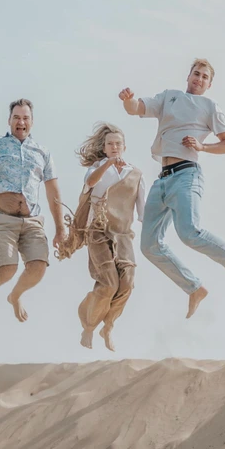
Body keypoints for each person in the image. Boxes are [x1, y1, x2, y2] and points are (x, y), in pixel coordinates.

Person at [118, 58, 225, 317]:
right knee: (149, 246)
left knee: (189, 232)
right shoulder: (170, 97)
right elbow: (137, 108)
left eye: (204, 77)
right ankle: (194, 288)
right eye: (196, 74)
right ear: (188, 76)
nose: (199, 79)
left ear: (209, 84)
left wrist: (203, 147)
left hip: (186, 175)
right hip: (162, 180)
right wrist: (127, 100)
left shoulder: (209, 106)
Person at [0, 99, 66, 323]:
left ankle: (15, 296)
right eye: (17, 117)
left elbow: (53, 191)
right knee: (7, 268)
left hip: (31, 220)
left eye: (25, 118)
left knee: (39, 266)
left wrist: (61, 229)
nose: (21, 122)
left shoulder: (42, 152)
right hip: (0, 218)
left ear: (32, 121)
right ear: (9, 120)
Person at [61, 123, 143, 352]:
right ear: (104, 148)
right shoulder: (97, 167)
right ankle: (88, 326)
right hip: (97, 231)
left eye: (118, 143)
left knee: (127, 283)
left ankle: (108, 326)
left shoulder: (135, 173)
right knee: (108, 284)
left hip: (124, 234)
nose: (114, 147)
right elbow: (90, 183)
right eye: (110, 144)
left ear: (124, 146)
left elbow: (142, 208)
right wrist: (108, 163)